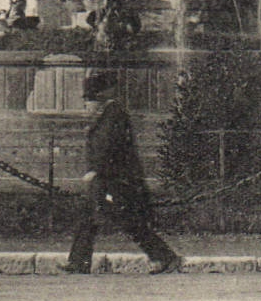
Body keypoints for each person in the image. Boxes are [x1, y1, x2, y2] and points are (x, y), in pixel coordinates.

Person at [63, 71, 183, 274]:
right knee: (90, 218)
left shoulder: (114, 115)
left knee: (127, 222)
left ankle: (166, 257)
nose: (86, 106)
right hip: (107, 180)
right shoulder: (109, 114)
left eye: (89, 101)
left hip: (115, 181)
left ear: (99, 99)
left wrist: (96, 170)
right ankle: (78, 262)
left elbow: (112, 147)